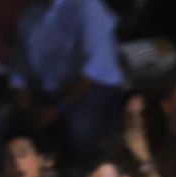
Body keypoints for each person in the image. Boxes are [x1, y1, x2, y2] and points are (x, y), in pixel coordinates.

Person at [8, 0, 125, 156]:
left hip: (94, 89)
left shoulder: (87, 6)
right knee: (9, 128)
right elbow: (19, 75)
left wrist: (57, 110)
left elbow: (92, 72)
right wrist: (27, 109)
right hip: (47, 93)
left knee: (80, 128)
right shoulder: (29, 17)